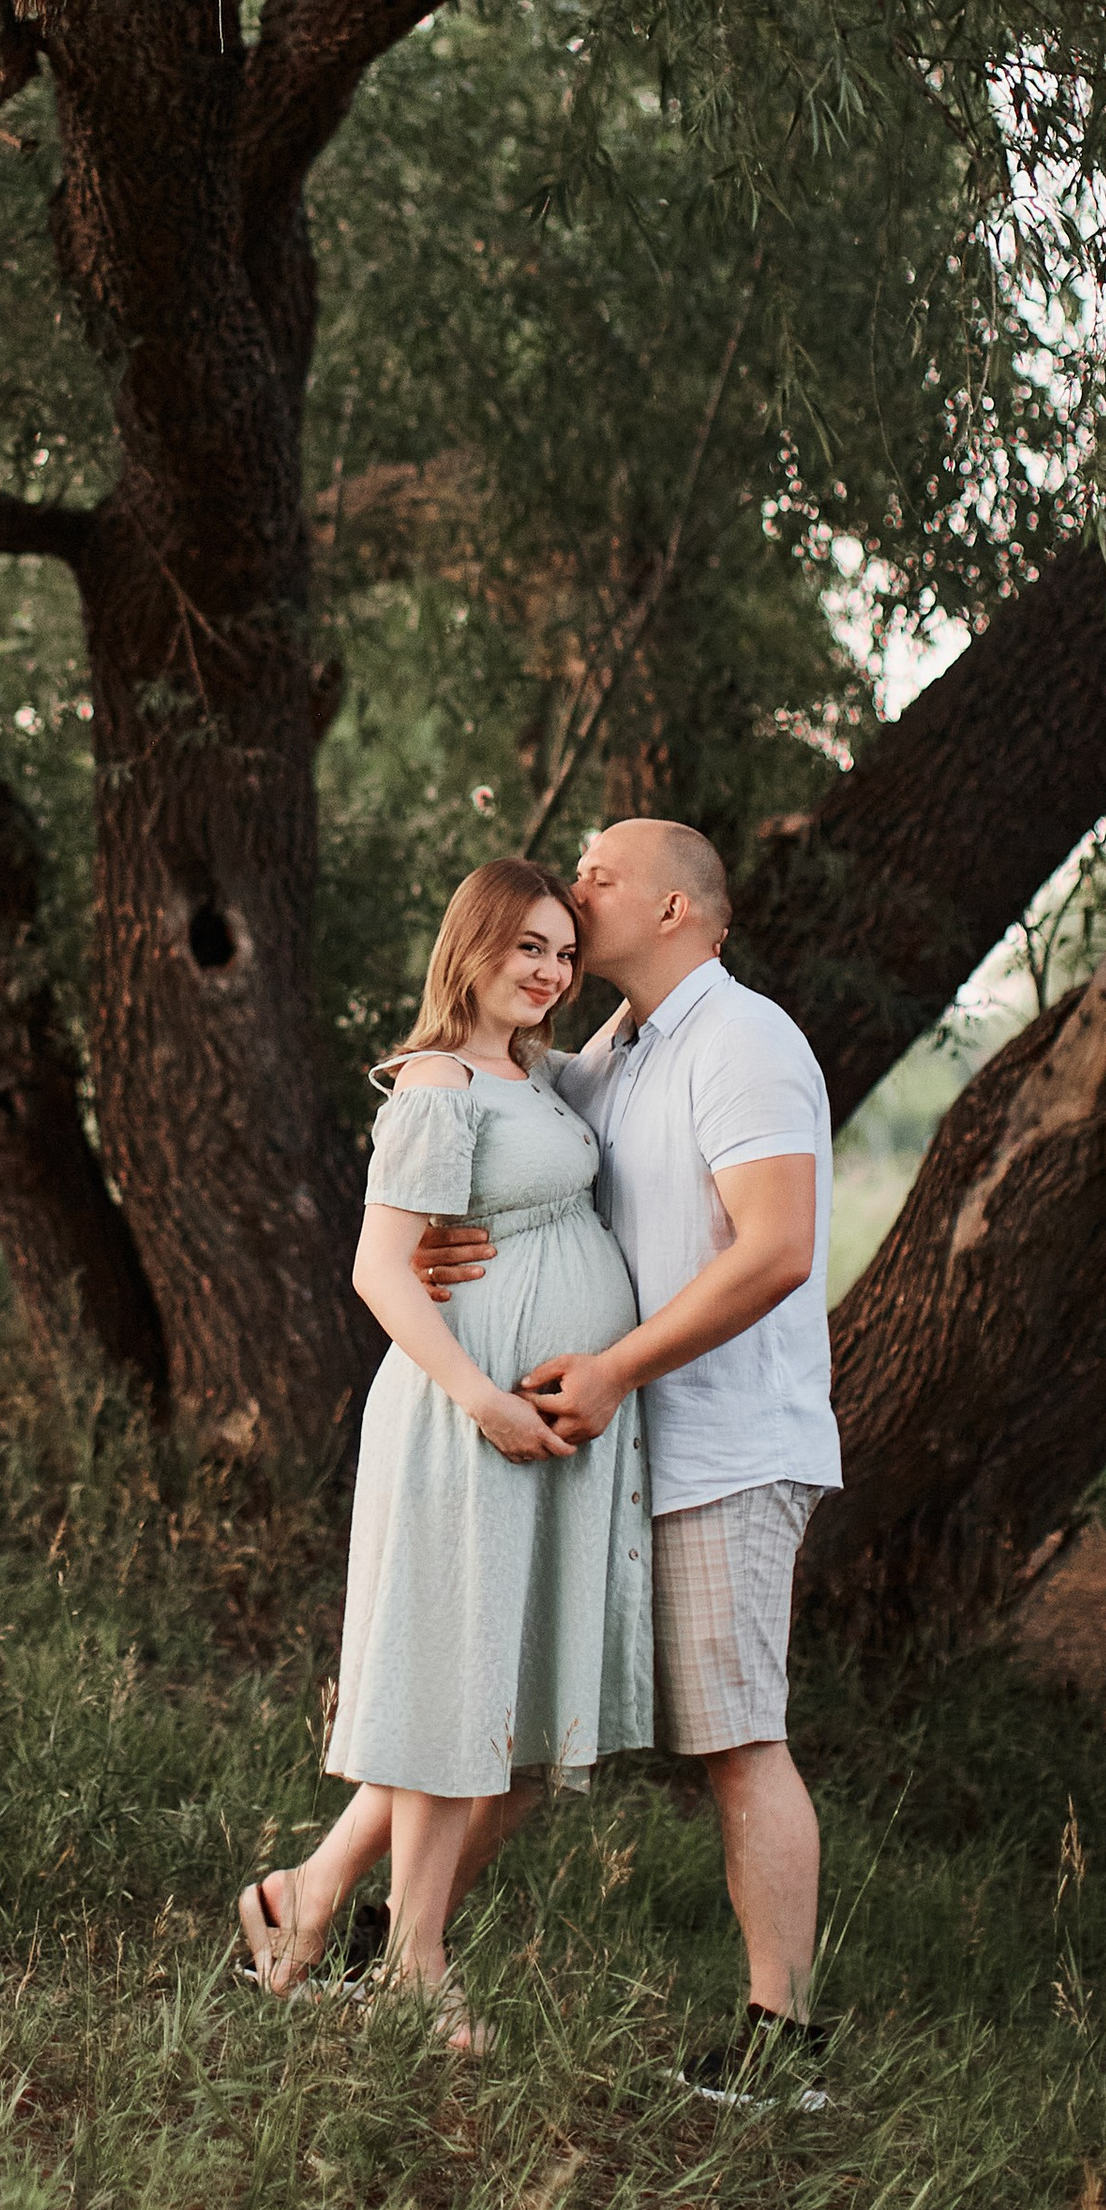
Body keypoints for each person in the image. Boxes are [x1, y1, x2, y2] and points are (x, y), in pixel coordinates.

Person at [234, 859, 654, 2053]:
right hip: (466, 1417)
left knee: (478, 1690)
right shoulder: (435, 1084)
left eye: (566, 953)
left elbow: (646, 1012)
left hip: (533, 1421)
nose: (551, 971)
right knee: (456, 1688)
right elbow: (380, 1266)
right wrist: (480, 1398)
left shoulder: (534, 1077)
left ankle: (308, 1904)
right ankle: (412, 1965)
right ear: (470, 946)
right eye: (527, 946)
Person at [459, 817, 839, 2104]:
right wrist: (425, 1247)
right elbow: (501, 1145)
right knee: (519, 1722)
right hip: (614, 1455)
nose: (576, 889)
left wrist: (618, 1368)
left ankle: (781, 2041)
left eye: (601, 875)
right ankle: (378, 1940)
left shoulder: (745, 1042)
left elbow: (775, 1248)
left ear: (676, 910)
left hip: (721, 1450)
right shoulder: (617, 1049)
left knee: (736, 1740)